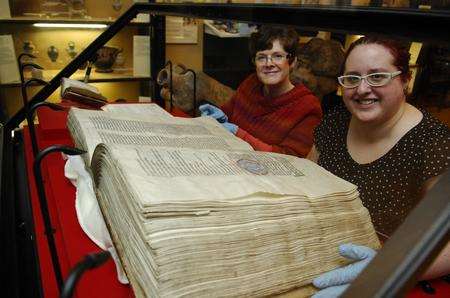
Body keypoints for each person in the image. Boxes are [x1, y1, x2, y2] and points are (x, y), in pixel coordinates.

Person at [307, 36, 450, 297]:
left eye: (377, 77)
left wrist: (384, 266)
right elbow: (306, 178)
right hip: (324, 252)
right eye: (352, 78)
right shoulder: (337, 120)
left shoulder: (433, 143)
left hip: (396, 276)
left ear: (405, 80)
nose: (361, 89)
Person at [199, 25, 322, 157]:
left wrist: (237, 133)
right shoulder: (251, 83)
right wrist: (216, 118)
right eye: (261, 57)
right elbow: (228, 113)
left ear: (292, 62)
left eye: (278, 56)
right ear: (254, 62)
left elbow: (290, 158)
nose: (268, 63)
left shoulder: (308, 107)